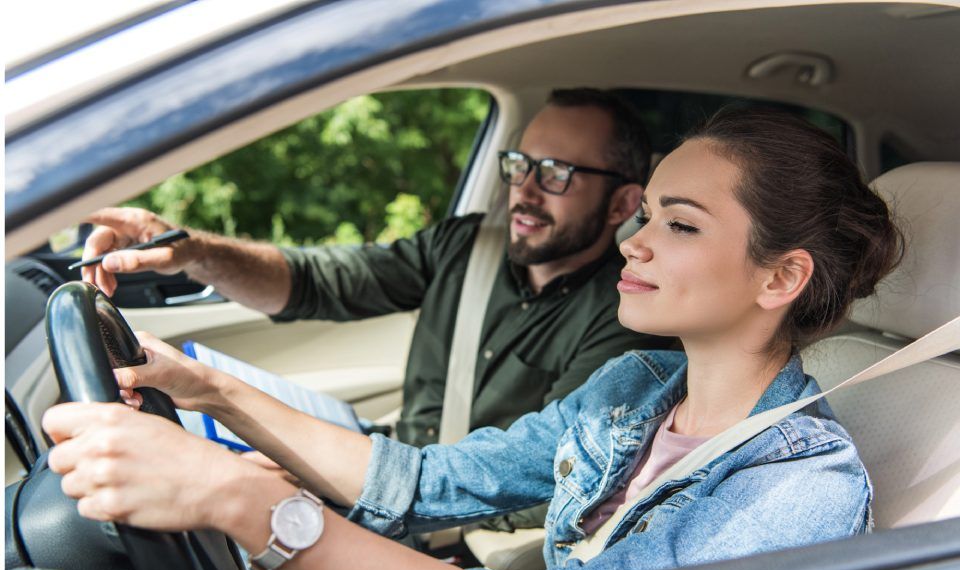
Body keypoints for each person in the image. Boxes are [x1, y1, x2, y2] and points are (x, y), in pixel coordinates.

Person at [44, 108, 903, 570]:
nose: (634, 243)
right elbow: (422, 480)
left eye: (678, 224)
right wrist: (210, 390)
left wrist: (241, 500)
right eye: (648, 218)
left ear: (781, 276)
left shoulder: (798, 492)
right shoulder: (634, 391)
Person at [80, 88, 674, 532]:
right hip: (390, 466)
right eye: (520, 166)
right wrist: (190, 251)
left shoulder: (627, 319)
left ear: (624, 199)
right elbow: (318, 282)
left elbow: (542, 483)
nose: (525, 190)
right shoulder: (467, 245)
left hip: (450, 524)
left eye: (557, 174)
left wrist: (331, 492)